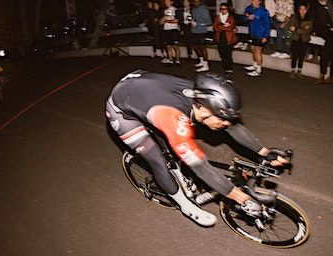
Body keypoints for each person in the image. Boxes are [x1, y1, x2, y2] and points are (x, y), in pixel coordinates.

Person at [105, 70, 290, 227]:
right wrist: (242, 198)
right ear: (203, 109)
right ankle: (186, 206)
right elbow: (200, 167)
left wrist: (265, 152)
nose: (226, 123)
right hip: (122, 110)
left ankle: (174, 159)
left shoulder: (203, 98)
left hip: (144, 88)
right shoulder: (171, 116)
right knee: (157, 159)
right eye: (222, 118)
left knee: (177, 146)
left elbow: (232, 125)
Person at [244, 0, 271, 77]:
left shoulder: (264, 11)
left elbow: (268, 24)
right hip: (252, 34)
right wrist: (248, 18)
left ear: (260, 2)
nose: (255, 3)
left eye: (257, 1)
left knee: (257, 51)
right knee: (253, 50)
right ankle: (255, 65)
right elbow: (244, 19)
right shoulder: (248, 8)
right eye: (253, 1)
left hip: (260, 35)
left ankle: (259, 70)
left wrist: (265, 36)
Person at [288, 3, 313, 78]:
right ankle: (292, 71)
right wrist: (296, 29)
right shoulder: (294, 17)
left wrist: (296, 29)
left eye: (304, 9)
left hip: (304, 40)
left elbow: (307, 31)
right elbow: (291, 26)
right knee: (294, 56)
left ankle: (299, 71)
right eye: (300, 9)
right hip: (295, 39)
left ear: (306, 10)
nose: (302, 11)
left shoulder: (309, 19)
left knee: (302, 57)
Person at [213, 3, 237, 74]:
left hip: (228, 38)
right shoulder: (217, 17)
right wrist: (223, 26)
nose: (223, 10)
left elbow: (230, 28)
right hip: (220, 37)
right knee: (221, 53)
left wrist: (220, 26)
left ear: (227, 9)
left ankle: (229, 68)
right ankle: (225, 67)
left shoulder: (231, 18)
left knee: (228, 54)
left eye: (224, 9)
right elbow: (214, 27)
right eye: (221, 9)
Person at [191, 0, 213, 72]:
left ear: (200, 2)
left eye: (197, 1)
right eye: (194, 1)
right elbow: (194, 19)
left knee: (203, 48)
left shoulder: (204, 10)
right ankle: (202, 62)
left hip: (202, 31)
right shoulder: (193, 10)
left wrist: (198, 24)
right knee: (196, 47)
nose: (196, 3)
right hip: (194, 31)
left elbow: (209, 22)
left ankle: (206, 65)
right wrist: (192, 22)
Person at [160, 0, 181, 66]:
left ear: (171, 2)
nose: (166, 3)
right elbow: (160, 22)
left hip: (173, 30)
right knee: (168, 46)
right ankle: (171, 60)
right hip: (166, 30)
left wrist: (167, 21)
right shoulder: (165, 11)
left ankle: (177, 61)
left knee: (175, 46)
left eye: (168, 1)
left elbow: (177, 20)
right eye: (165, 2)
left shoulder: (175, 10)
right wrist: (165, 18)